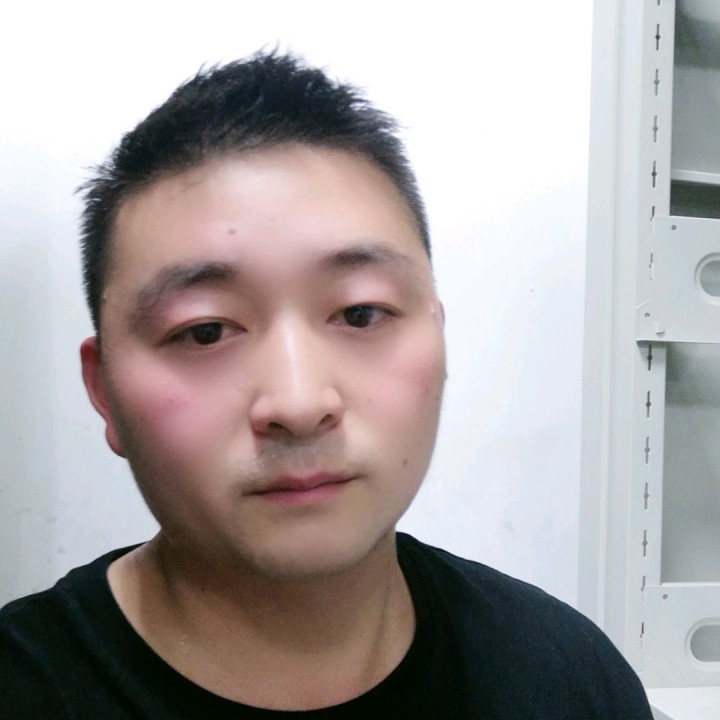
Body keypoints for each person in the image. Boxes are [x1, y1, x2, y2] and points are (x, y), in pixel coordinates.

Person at [0, 50, 653, 719]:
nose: (299, 403)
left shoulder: (568, 678)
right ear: (104, 391)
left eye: (361, 313)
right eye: (205, 331)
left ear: (439, 336)